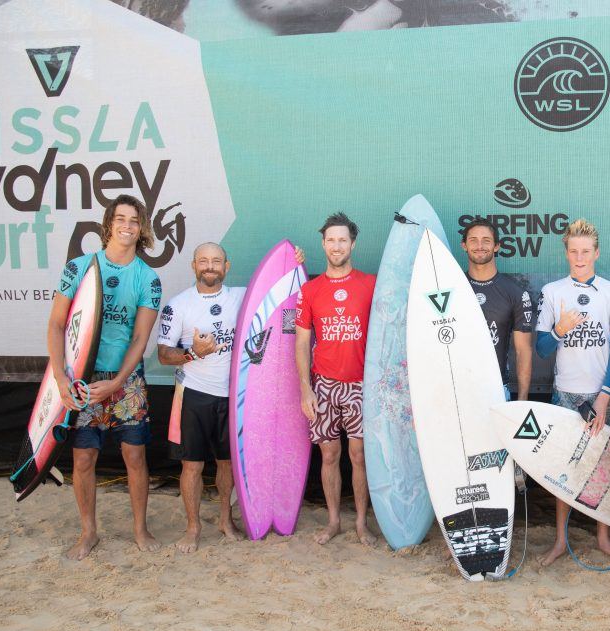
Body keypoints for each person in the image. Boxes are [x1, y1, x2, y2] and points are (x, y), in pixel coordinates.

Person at [156, 242, 304, 552]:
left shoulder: (242, 298)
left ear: (227, 266)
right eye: (203, 261)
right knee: (192, 466)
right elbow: (163, 355)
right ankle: (193, 527)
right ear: (194, 266)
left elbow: (284, 297)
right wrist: (192, 352)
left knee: (228, 464)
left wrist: (295, 264)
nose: (210, 266)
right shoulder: (178, 305)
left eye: (216, 261)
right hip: (193, 395)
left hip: (235, 398)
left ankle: (226, 519)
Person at [49, 194, 162, 560]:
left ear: (141, 228)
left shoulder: (148, 278)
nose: (127, 226)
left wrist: (117, 383)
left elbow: (141, 338)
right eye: (121, 218)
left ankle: (140, 528)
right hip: (81, 377)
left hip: (125, 381)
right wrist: (61, 380)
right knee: (83, 459)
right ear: (108, 224)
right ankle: (88, 532)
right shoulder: (79, 267)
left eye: (134, 220)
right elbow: (56, 324)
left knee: (135, 455)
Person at [534, 219, 610, 566]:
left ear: (596, 253)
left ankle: (602, 537)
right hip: (565, 395)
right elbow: (542, 349)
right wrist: (559, 329)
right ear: (566, 253)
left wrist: (604, 395)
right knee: (564, 470)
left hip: (600, 396)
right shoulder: (553, 292)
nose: (580, 257)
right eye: (573, 251)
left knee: (604, 469)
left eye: (585, 251)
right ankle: (560, 540)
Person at [296, 212, 377, 546]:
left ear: (353, 243)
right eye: (331, 239)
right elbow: (302, 342)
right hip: (324, 386)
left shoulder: (370, 284)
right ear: (323, 244)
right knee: (329, 456)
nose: (337, 245)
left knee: (359, 456)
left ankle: (360, 522)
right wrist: (305, 390)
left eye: (343, 239)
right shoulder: (310, 289)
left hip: (360, 384)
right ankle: (333, 522)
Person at [460, 219, 533, 398]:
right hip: (458, 389)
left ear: (496, 246)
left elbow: (523, 351)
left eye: (486, 240)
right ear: (464, 246)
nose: (479, 245)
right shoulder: (452, 289)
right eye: (473, 240)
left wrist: (523, 401)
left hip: (496, 389)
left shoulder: (515, 292)